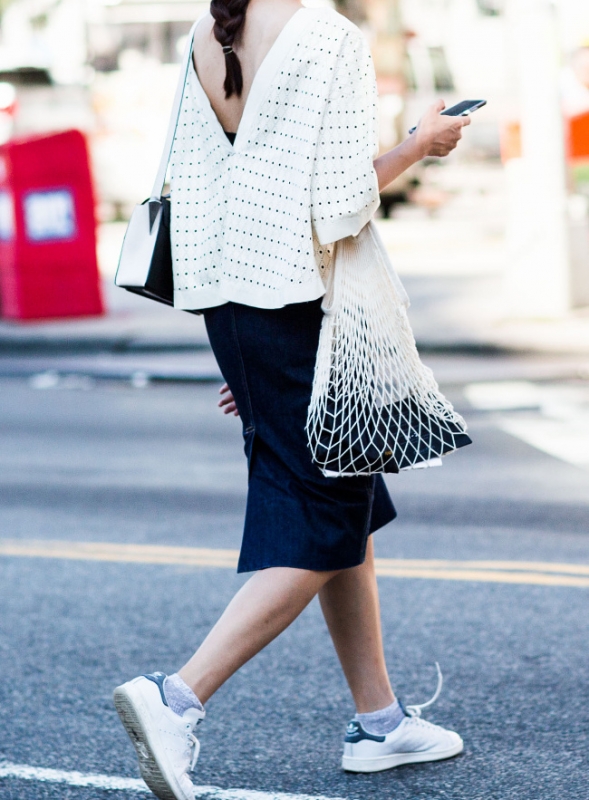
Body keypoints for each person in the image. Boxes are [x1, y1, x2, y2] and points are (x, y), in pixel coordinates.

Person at [113, 2, 471, 798]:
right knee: (323, 515)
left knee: (345, 505)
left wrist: (251, 354)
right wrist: (422, 143)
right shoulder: (328, 37)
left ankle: (379, 722)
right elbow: (337, 203)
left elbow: (213, 185)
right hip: (299, 304)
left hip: (235, 303)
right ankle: (177, 698)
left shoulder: (207, 31)